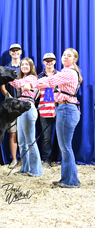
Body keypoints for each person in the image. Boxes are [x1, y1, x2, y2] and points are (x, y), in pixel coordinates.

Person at [33, 48, 82, 188]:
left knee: (66, 147)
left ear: (74, 59)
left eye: (69, 55)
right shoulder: (69, 72)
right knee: (66, 147)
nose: (65, 57)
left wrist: (31, 84)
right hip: (65, 108)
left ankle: (70, 181)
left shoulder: (67, 72)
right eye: (64, 55)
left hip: (67, 109)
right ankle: (69, 179)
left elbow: (50, 81)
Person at [9, 57, 43, 177]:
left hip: (28, 108)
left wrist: (6, 77)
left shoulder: (32, 78)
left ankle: (36, 170)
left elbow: (17, 84)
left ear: (31, 67)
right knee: (22, 142)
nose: (24, 66)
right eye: (22, 64)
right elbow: (18, 83)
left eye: (27, 65)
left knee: (30, 141)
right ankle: (25, 167)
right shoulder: (23, 78)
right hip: (21, 109)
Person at [0, 44, 22, 168]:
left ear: (20, 52)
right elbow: (2, 87)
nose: (15, 52)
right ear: (10, 53)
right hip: (11, 105)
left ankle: (26, 158)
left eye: (17, 50)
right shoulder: (6, 69)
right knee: (12, 132)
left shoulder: (25, 66)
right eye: (12, 51)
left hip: (25, 104)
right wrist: (11, 99)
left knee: (25, 133)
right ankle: (14, 159)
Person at [37, 53, 58, 168]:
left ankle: (61, 158)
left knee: (61, 136)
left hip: (58, 108)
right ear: (44, 62)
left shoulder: (60, 75)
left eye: (51, 60)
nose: (49, 63)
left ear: (54, 62)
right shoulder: (39, 77)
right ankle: (47, 159)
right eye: (47, 61)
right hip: (44, 110)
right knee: (46, 136)